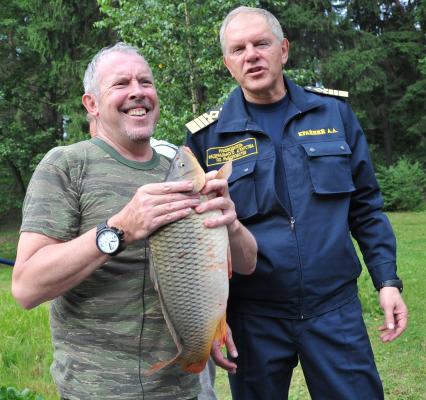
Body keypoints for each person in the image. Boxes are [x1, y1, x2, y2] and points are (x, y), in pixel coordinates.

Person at [11, 42, 257, 400]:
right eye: (121, 84)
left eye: (145, 81)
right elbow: (26, 287)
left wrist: (231, 225)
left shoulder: (179, 169)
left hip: (184, 388)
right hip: (97, 390)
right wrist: (120, 229)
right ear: (91, 104)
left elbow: (247, 264)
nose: (137, 92)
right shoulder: (65, 166)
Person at [185, 6, 408, 400]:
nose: (251, 55)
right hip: (254, 317)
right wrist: (212, 321)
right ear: (227, 63)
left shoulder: (334, 114)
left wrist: (386, 280)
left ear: (283, 50)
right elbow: (196, 240)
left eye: (261, 43)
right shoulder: (208, 138)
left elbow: (366, 208)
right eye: (238, 49)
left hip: (333, 308)